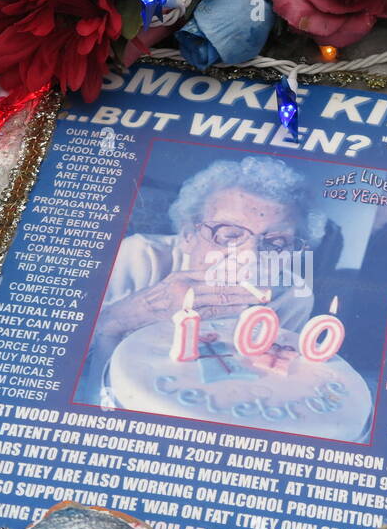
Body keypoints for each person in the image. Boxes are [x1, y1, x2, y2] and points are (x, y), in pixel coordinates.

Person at [80, 155, 325, 399]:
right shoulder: (141, 257)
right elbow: (62, 352)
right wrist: (131, 313)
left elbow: (268, 379)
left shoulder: (293, 297)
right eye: (229, 234)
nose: (249, 257)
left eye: (277, 242)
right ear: (188, 236)